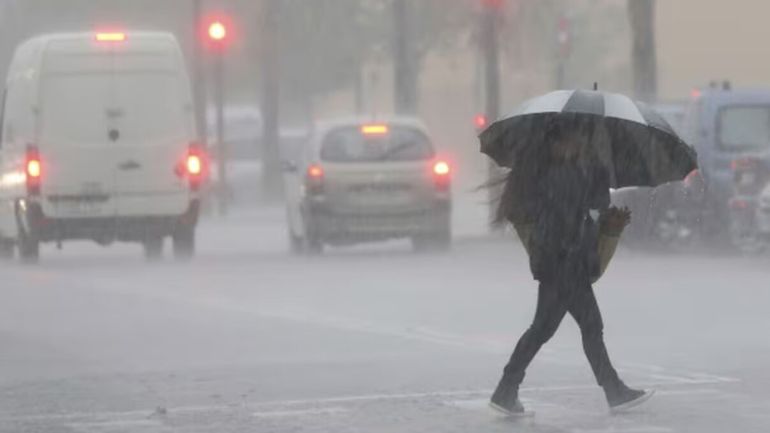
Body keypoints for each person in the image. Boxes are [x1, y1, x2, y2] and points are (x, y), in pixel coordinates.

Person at [490, 120, 653, 415]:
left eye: (581, 140)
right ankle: (613, 390)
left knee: (547, 330)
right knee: (583, 327)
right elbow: (591, 203)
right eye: (575, 140)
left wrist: (592, 172)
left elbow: (584, 210)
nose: (578, 145)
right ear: (557, 144)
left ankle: (506, 390)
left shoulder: (548, 174)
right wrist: (596, 169)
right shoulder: (563, 175)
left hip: (559, 263)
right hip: (566, 263)